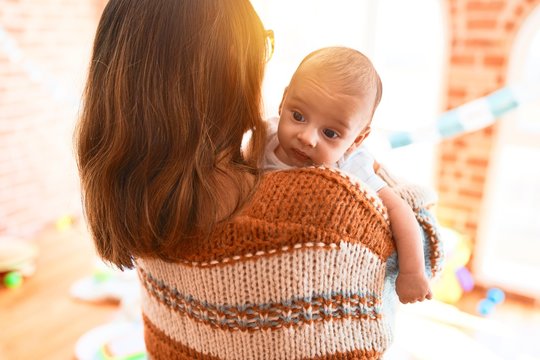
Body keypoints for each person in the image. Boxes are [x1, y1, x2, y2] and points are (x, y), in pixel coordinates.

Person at [76, 1, 442, 358]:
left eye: (331, 133)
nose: (308, 138)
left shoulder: (137, 193)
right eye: (260, 48)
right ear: (228, 73)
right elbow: (424, 245)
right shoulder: (330, 207)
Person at [263, 47, 432, 304]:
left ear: (357, 140)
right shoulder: (264, 139)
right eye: (298, 116)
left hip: (317, 284)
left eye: (330, 133)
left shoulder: (350, 164)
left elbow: (399, 211)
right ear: (283, 100)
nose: (307, 138)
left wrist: (412, 272)